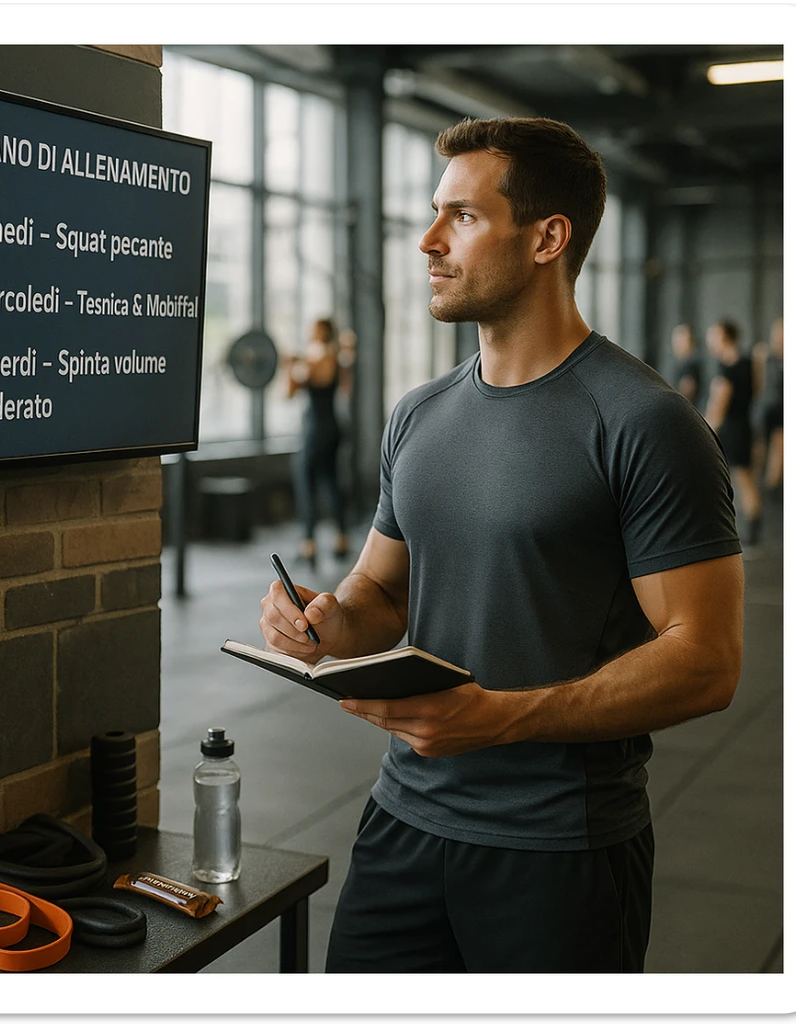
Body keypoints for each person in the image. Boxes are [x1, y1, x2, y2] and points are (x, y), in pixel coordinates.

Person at [260, 117, 744, 974]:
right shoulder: (419, 414)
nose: (428, 240)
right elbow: (383, 593)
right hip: (403, 821)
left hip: (559, 848)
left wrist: (501, 718)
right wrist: (325, 624)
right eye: (434, 213)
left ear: (548, 238)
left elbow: (707, 660)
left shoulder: (644, 423)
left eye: (464, 217)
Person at [286, 317, 352, 568]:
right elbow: (345, 388)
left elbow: (291, 391)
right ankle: (342, 539)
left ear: (320, 333)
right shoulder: (334, 359)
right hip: (332, 428)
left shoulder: (318, 360)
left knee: (304, 479)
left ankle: (309, 544)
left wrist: (292, 365)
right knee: (331, 481)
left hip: (316, 430)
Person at [704, 319, 764, 547]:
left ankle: (743, 533)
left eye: (714, 335)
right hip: (744, 425)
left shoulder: (727, 369)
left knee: (737, 478)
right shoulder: (748, 363)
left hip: (732, 429)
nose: (711, 341)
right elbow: (756, 390)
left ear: (724, 337)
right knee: (744, 478)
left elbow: (719, 403)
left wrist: (706, 428)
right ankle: (751, 530)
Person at [751, 316, 784, 494]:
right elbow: (758, 382)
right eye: (778, 334)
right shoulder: (765, 355)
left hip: (782, 406)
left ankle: (773, 484)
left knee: (779, 442)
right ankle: (758, 477)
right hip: (766, 405)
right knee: (760, 442)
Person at [669, 322, 704, 410]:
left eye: (678, 340)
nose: (675, 344)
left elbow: (687, 389)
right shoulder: (694, 361)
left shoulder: (688, 364)